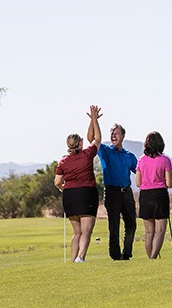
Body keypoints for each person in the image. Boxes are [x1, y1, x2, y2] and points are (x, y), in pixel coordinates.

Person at [54, 105, 102, 263]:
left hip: (70, 196)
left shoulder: (63, 161)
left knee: (77, 232)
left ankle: (74, 259)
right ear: (80, 144)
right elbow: (97, 139)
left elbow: (57, 182)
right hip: (86, 193)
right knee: (87, 230)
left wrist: (64, 189)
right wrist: (94, 120)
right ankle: (81, 257)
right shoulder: (87, 155)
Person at [88, 122, 138, 260]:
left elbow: (140, 172)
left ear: (123, 136)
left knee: (131, 225)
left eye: (116, 133)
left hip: (127, 193)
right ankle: (115, 256)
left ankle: (127, 253)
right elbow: (92, 138)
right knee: (114, 225)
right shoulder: (105, 151)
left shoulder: (130, 156)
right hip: (112, 193)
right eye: (111, 133)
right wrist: (94, 120)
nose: (113, 135)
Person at [135, 131, 172, 259]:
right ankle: (153, 258)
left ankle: (150, 258)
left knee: (148, 232)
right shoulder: (165, 160)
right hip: (159, 195)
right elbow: (169, 183)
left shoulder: (141, 160)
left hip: (145, 196)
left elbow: (138, 182)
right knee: (160, 230)